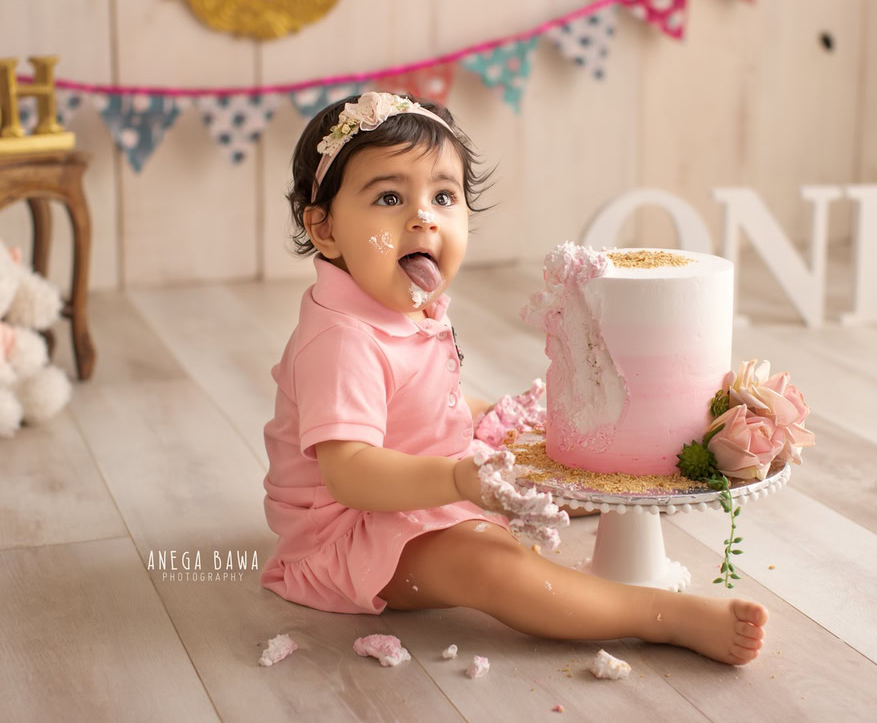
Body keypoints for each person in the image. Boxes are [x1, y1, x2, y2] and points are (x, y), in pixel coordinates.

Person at [260, 91, 768, 665]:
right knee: (489, 564)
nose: (423, 216)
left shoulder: (406, 306)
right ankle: (659, 615)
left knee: (537, 464)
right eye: (390, 197)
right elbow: (350, 473)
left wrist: (496, 422)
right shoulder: (340, 340)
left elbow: (421, 404)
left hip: (422, 481)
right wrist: (458, 481)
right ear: (325, 231)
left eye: (444, 196)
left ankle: (588, 493)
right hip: (351, 531)